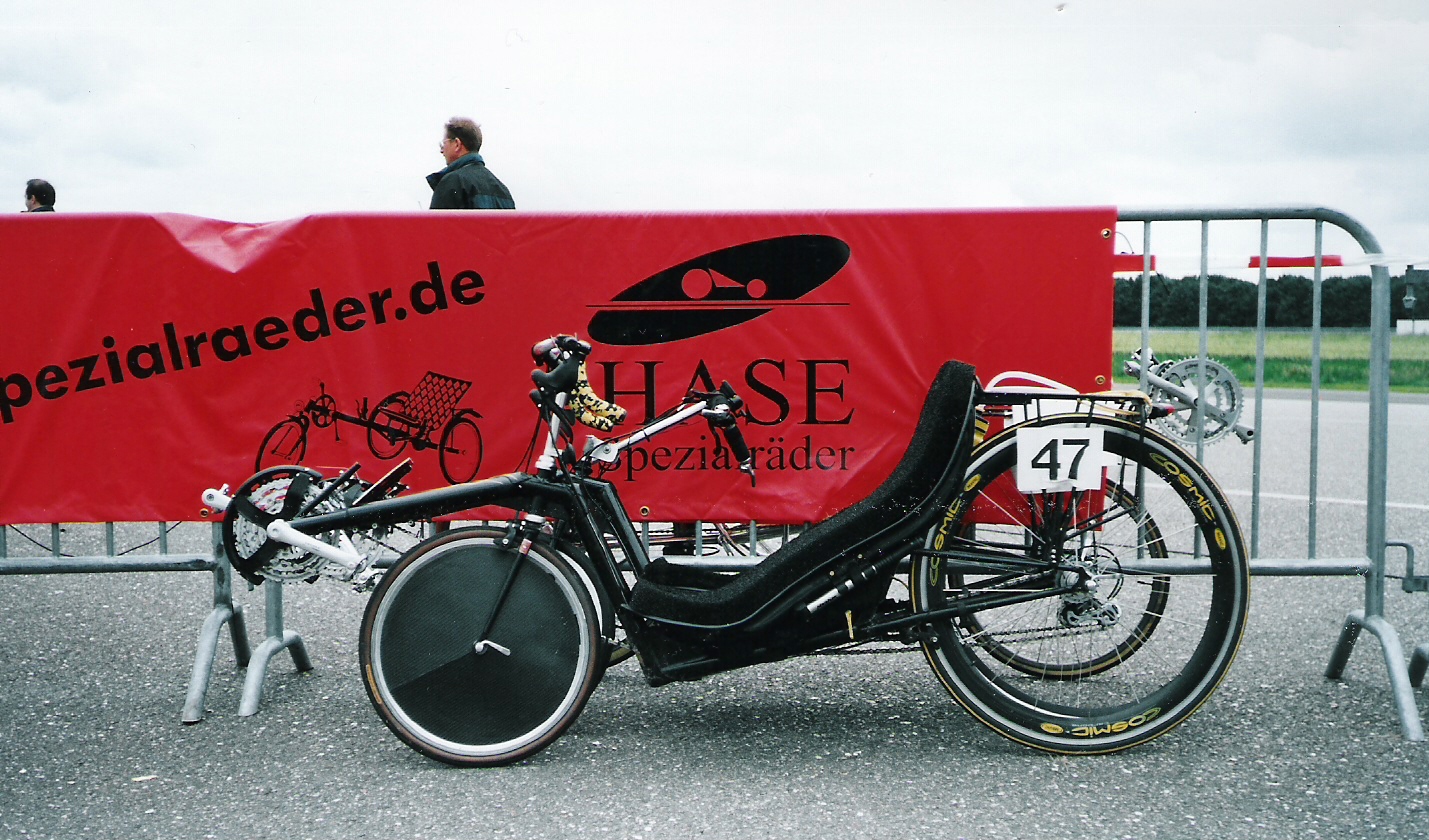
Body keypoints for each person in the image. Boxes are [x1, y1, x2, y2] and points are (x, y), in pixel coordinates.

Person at [427, 118, 515, 210]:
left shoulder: (452, 182)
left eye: (443, 144)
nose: (442, 151)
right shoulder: (503, 190)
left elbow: (436, 219)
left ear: (457, 144)